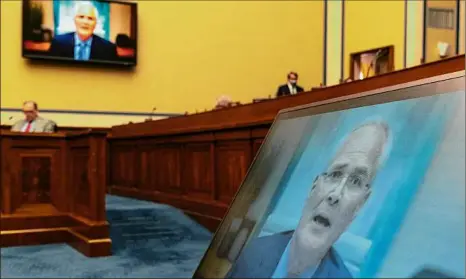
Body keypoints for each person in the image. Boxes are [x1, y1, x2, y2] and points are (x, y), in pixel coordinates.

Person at [227, 122, 390, 278]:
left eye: (356, 181)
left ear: (360, 205)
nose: (335, 195)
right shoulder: (252, 252)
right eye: (335, 174)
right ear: (314, 187)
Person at [48, 2, 117, 61]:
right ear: (74, 20)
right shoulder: (58, 42)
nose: (85, 22)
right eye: (81, 17)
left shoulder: (108, 48)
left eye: (90, 18)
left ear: (96, 23)